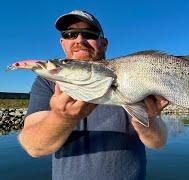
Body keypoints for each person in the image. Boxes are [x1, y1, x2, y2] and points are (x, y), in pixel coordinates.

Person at [18, 10, 169, 180]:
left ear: (103, 44)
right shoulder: (46, 83)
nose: (79, 40)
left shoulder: (135, 77)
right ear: (62, 43)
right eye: (70, 34)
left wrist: (149, 118)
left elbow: (158, 142)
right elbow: (33, 147)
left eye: (89, 34)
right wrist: (62, 118)